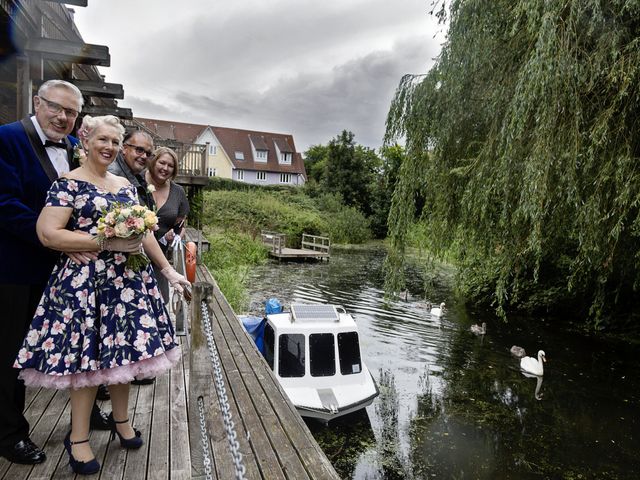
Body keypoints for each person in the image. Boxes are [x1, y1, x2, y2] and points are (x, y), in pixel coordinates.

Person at [13, 114, 190, 475]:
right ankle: (77, 438)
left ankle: (122, 421)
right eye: (102, 140)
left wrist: (170, 272)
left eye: (114, 141)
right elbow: (48, 233)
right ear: (86, 141)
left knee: (126, 358)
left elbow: (146, 235)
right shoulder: (68, 184)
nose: (108, 147)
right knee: (87, 363)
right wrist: (103, 240)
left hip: (127, 283)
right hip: (83, 284)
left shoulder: (125, 186)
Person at [0, 79, 107, 465]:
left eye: (71, 112)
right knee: (10, 354)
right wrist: (58, 239)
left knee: (72, 344)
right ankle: (10, 435)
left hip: (63, 272)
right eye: (56, 108)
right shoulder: (7, 138)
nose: (62, 117)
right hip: (15, 269)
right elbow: (5, 204)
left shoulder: (75, 149)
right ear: (36, 102)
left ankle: (86, 415)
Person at [145, 147, 190, 301]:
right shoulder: (136, 182)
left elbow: (181, 224)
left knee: (158, 302)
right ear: (153, 161)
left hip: (159, 260)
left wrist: (175, 236)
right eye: (162, 163)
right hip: (132, 255)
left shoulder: (178, 192)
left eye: (170, 166)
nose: (165, 168)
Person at [108, 129, 155, 207]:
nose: (144, 156)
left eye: (148, 154)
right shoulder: (113, 174)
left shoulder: (135, 175)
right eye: (139, 150)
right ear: (124, 148)